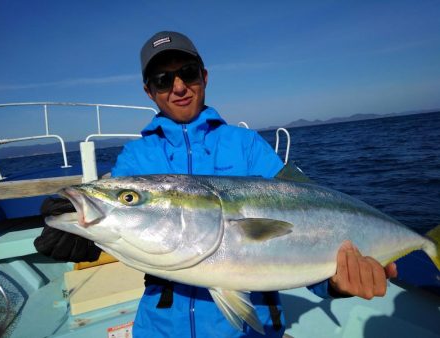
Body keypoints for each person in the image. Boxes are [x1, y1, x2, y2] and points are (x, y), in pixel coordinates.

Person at [35, 31, 397, 337]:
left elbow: (306, 228)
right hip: (161, 328)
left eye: (187, 73)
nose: (178, 87)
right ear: (149, 91)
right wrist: (85, 238)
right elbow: (132, 229)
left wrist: (333, 282)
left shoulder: (246, 146)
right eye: (163, 80)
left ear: (204, 76)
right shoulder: (138, 157)